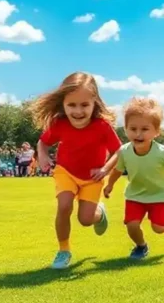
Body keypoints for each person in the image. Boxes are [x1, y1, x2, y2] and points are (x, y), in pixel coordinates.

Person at [32, 72, 122, 270]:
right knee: (64, 206)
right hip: (66, 171)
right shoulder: (59, 124)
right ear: (63, 104)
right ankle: (64, 250)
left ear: (94, 103)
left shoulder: (102, 126)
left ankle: (100, 212)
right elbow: (43, 142)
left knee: (85, 220)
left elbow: (119, 151)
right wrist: (43, 155)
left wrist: (106, 169)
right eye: (71, 105)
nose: (78, 111)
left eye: (84, 105)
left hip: (93, 177)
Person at [97, 98, 164, 259]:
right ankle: (141, 246)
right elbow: (118, 169)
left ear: (156, 132)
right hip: (135, 195)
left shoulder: (161, 152)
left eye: (145, 129)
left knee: (158, 228)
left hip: (159, 195)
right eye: (133, 128)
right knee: (131, 224)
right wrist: (110, 184)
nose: (138, 134)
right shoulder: (124, 151)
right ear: (126, 129)